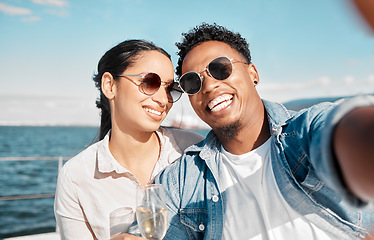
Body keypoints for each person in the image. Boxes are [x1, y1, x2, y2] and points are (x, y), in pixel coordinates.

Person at [151, 23, 374, 239]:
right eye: (192, 83)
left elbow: (345, 134)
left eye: (220, 69)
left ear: (253, 74)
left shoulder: (304, 134)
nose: (209, 86)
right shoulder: (181, 180)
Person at [54, 39, 204, 240]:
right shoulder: (76, 177)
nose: (163, 99)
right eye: (150, 82)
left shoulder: (194, 151)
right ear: (109, 85)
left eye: (170, 88)